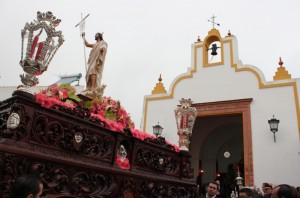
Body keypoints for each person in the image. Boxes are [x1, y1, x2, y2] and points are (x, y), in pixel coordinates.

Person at [81, 32, 108, 98]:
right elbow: (87, 45)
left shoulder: (103, 42)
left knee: (93, 70)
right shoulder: (95, 44)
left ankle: (93, 87)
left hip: (97, 59)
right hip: (92, 59)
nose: (94, 36)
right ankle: (90, 87)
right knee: (90, 71)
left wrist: (102, 49)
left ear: (99, 36)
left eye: (96, 35)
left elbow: (104, 47)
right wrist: (83, 36)